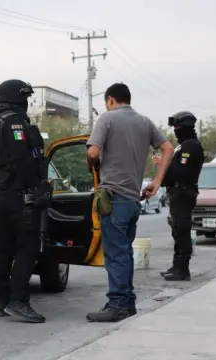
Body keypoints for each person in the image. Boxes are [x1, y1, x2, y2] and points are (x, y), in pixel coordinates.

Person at [85, 82, 174, 323]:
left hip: (113, 198)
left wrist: (92, 162)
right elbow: (168, 148)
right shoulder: (144, 122)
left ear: (110, 100)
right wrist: (156, 180)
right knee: (124, 252)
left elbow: (93, 152)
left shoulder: (107, 119)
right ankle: (127, 302)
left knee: (115, 255)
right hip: (134, 200)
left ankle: (117, 304)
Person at [0, 79, 47, 324]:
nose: (27, 103)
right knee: (26, 247)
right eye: (25, 98)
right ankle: (19, 302)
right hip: (18, 192)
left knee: (4, 248)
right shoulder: (14, 122)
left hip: (0, 190)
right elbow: (23, 159)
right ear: (17, 98)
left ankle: (2, 302)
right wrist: (38, 187)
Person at [156, 111, 205, 281]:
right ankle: (176, 265)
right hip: (178, 193)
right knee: (177, 229)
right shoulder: (183, 146)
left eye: (178, 127)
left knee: (182, 230)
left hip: (184, 192)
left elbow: (181, 172)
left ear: (186, 127)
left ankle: (182, 270)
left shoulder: (190, 146)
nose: (175, 131)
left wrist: (164, 165)